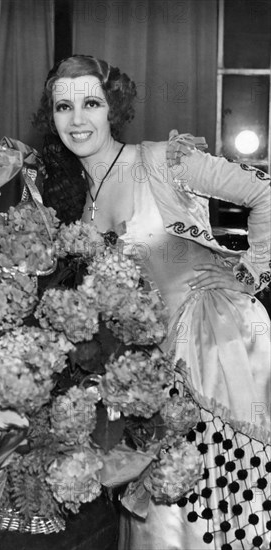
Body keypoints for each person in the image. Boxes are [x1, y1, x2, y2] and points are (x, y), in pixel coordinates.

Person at [33, 55, 271, 550]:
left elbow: (262, 193)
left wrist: (254, 271)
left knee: (222, 508)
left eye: (91, 103)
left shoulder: (163, 160)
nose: (77, 120)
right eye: (64, 107)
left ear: (112, 107)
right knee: (163, 516)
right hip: (149, 371)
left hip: (217, 346)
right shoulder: (76, 204)